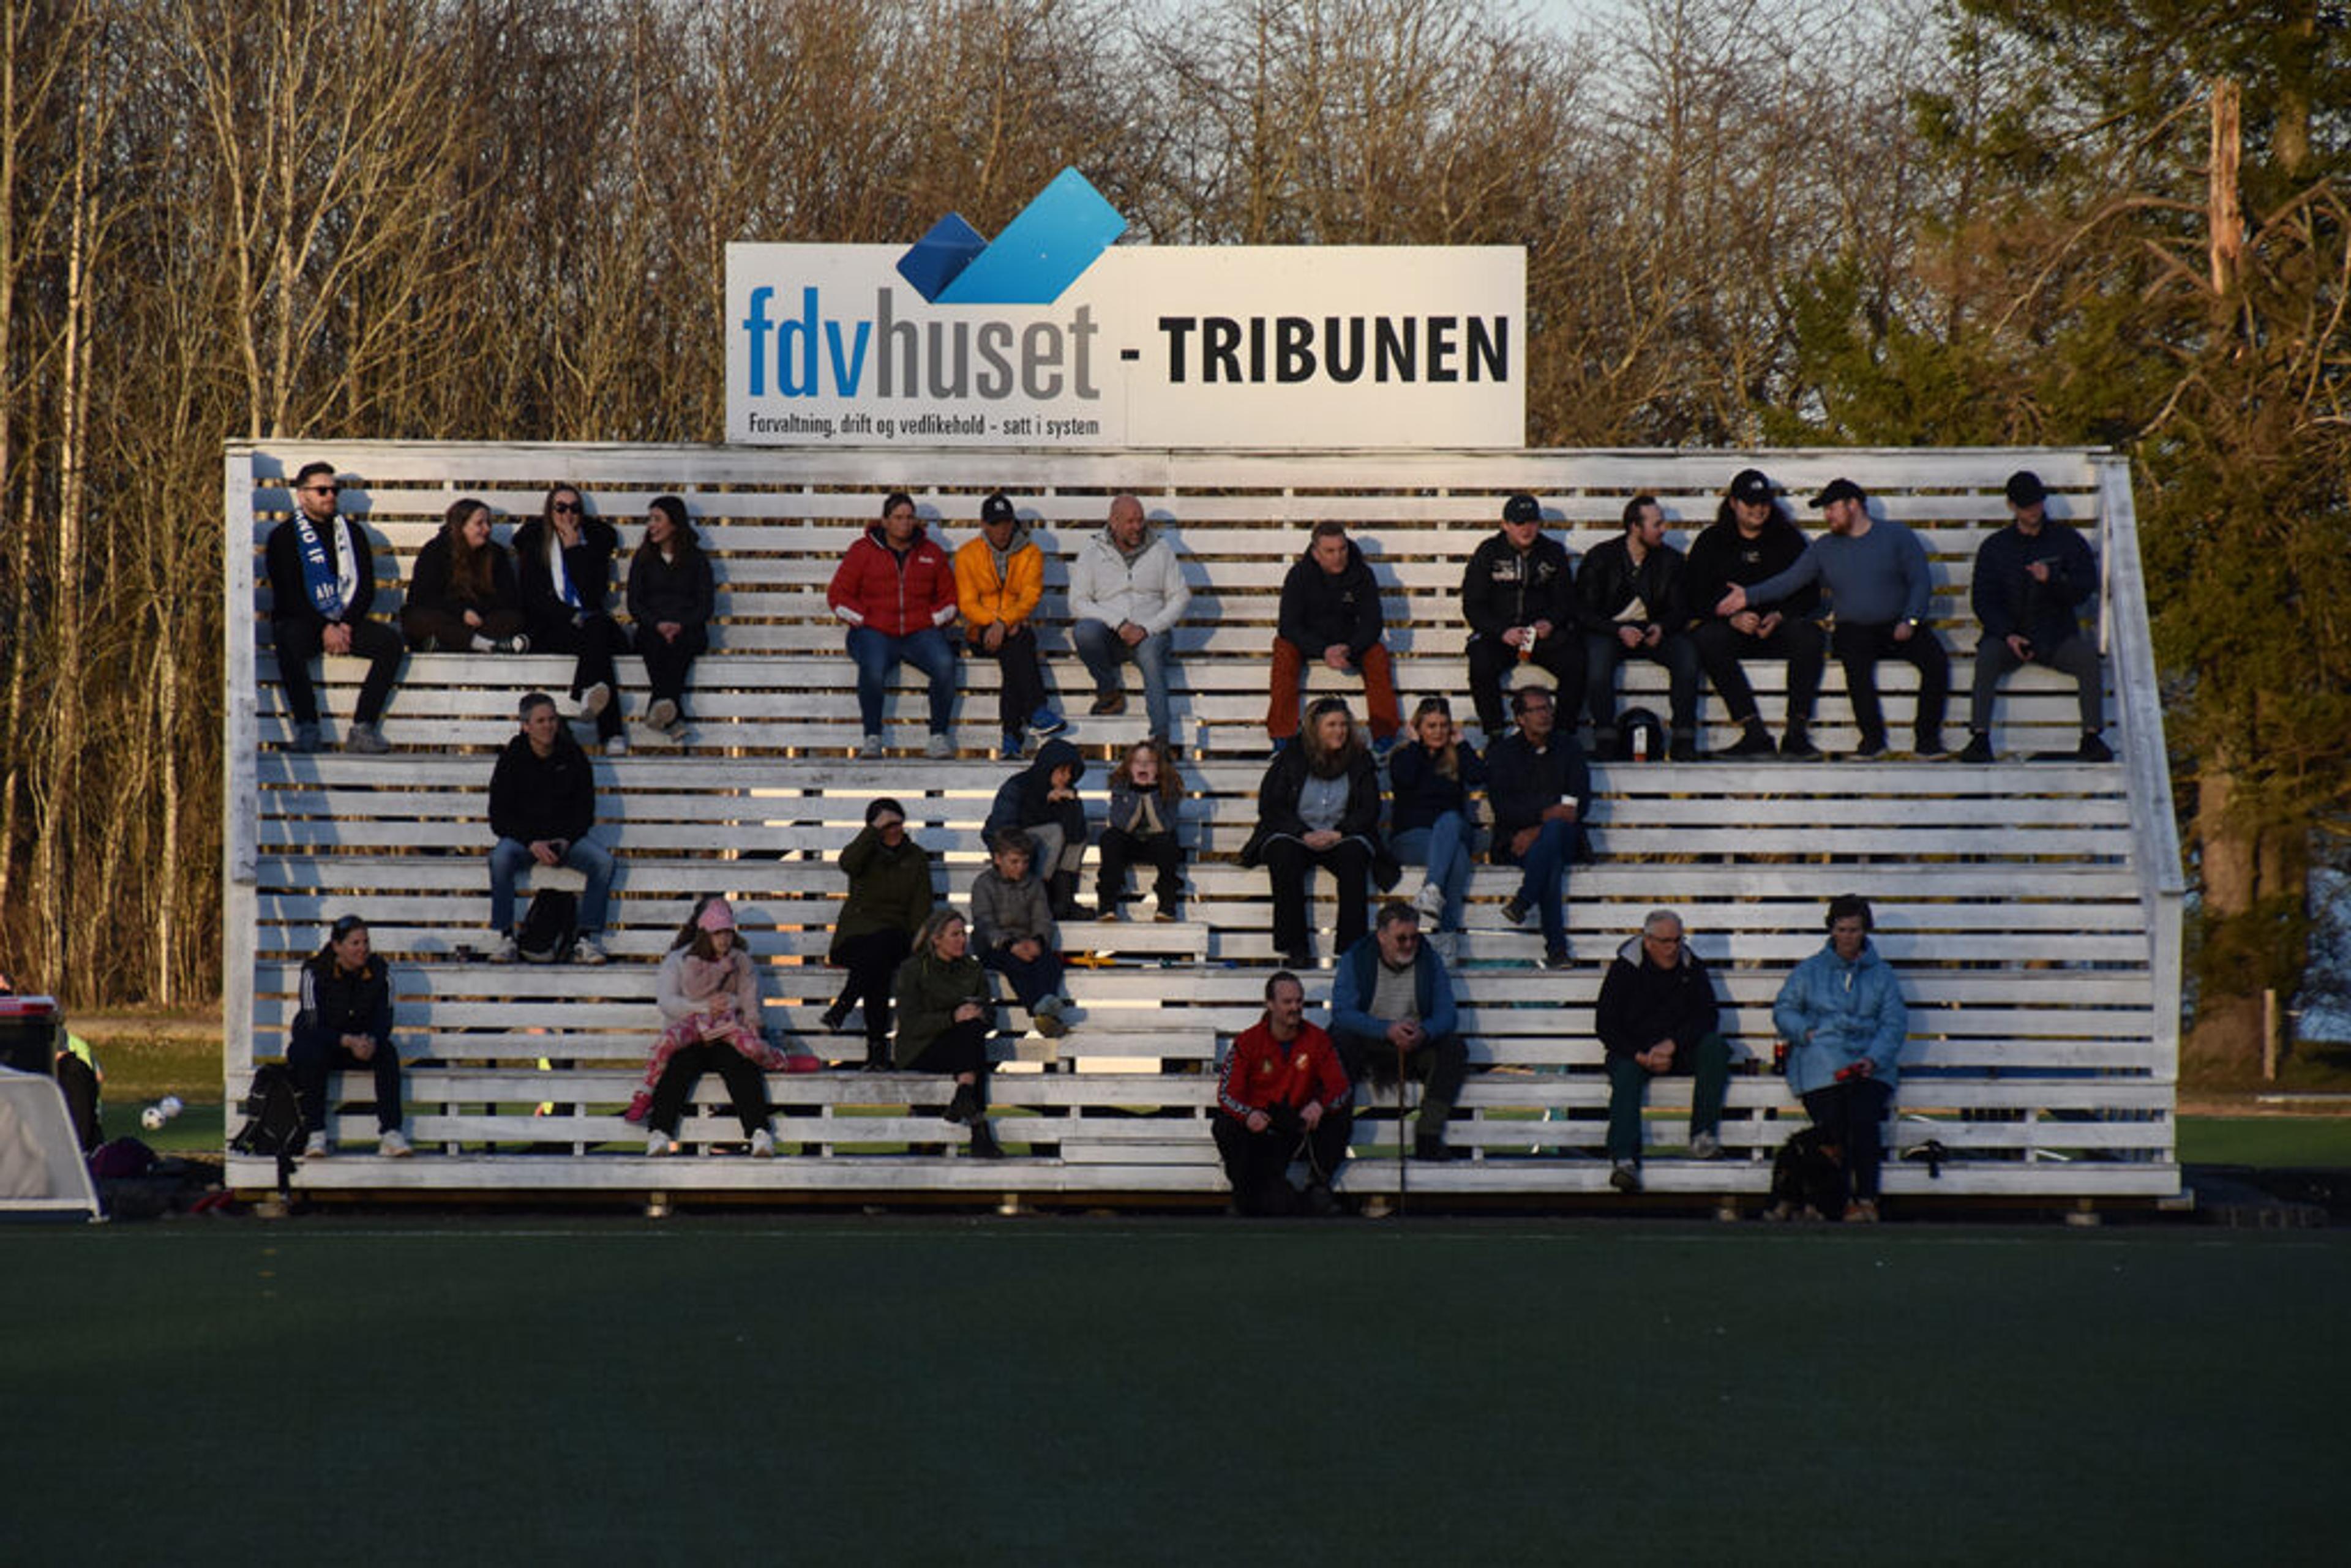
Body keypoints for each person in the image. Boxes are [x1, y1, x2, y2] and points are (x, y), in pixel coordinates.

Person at [1717, 478, 1949, 757]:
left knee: (1936, 662)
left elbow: (1920, 582)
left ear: (1854, 505)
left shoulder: (1897, 536)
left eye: (1832, 508)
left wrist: (1910, 621)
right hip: (1855, 628)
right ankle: (1872, 741)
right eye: (1825, 510)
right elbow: (1790, 581)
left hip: (1900, 624)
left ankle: (1927, 740)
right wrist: (1749, 596)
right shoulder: (1824, 547)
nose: (1827, 516)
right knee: (1855, 662)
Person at [1959, 470, 2111, 763]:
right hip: (2009, 636)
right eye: (2027, 505)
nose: (2034, 511)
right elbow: (1983, 600)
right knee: (1987, 657)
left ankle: (2092, 737)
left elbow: (2084, 587)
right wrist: (2007, 634)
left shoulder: (2067, 541)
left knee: (2087, 659)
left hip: (2055, 635)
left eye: (2038, 503)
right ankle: (1979, 737)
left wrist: (2052, 580)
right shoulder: (1995, 547)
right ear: (2012, 506)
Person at [1774, 895, 1907, 1222]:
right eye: (1842, 930)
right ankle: (1837, 1201)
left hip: (1869, 1065)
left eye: (1855, 930)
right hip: (1821, 1063)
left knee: (1863, 1119)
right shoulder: (1809, 971)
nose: (1848, 937)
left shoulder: (1883, 975)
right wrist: (1806, 1033)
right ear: (1832, 930)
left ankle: (1866, 1197)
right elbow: (1784, 1010)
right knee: (1832, 1125)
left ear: (1865, 931)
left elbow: (1894, 1023)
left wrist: (1873, 1059)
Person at [1239, 696, 1394, 970]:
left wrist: (1340, 833)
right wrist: (1302, 833)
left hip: (1341, 835)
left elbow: (1369, 809)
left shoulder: (1360, 759)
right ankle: (1296, 947)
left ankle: (1351, 948)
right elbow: (1272, 805)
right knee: (1282, 853)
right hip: (1297, 835)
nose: (1340, 731)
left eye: (1343, 725)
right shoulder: (1291, 756)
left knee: (1355, 856)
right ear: (1315, 728)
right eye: (1331, 725)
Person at [629, 896, 789, 1157]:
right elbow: (668, 1002)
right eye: (717, 930)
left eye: (727, 929)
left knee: (742, 1065)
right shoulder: (680, 959)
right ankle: (659, 1132)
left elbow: (752, 997)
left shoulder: (739, 960)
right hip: (691, 1035)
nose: (724, 937)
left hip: (727, 1033)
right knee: (678, 1066)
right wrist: (705, 1008)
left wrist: (730, 1004)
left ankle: (759, 1132)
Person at [1685, 468, 1826, 758]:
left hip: (1777, 629)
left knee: (1811, 636)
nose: (1758, 510)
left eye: (1764, 503)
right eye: (1750, 503)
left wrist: (1780, 615)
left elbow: (1811, 593)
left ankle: (1796, 733)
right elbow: (1694, 596)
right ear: (1733, 504)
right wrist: (1731, 618)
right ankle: (1753, 731)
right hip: (1733, 633)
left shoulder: (1788, 539)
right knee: (1705, 637)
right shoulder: (1712, 541)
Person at [264, 460, 402, 753]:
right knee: (287, 638)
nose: (330, 496)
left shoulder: (352, 534)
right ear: (303, 495)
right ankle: (308, 728)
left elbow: (365, 587)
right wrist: (325, 627)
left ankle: (363, 728)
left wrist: (346, 624)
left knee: (390, 642)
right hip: (305, 622)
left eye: (334, 490)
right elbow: (289, 595)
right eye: (322, 490)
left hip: (346, 622)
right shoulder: (284, 537)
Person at [1594, 909, 1731, 1193]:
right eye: (1665, 941)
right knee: (1626, 1072)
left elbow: (1707, 1017)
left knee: (1716, 1048)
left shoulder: (1692, 967)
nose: (1673, 948)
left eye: (1677, 940)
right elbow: (1606, 1025)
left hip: (1678, 1049)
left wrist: (1673, 1044)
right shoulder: (1624, 969)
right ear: (1648, 942)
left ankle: (1702, 1136)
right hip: (1634, 1051)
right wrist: (1641, 1055)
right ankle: (1624, 1158)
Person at [1330, 902, 1467, 1162]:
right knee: (1340, 1041)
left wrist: (1424, 1032)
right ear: (1382, 937)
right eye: (1401, 938)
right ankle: (1336, 1135)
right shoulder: (1356, 958)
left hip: (1414, 1043)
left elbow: (1447, 1015)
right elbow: (1342, 1013)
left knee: (1453, 1048)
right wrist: (1386, 1030)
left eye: (1414, 937)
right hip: (1369, 1042)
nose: (1409, 944)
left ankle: (1428, 1136)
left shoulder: (1430, 959)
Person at [486, 691, 613, 964]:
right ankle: (506, 937)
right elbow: (498, 816)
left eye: (552, 719)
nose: (548, 726)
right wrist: (531, 842)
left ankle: (585, 938)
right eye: (541, 721)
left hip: (565, 841)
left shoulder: (573, 754)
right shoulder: (512, 758)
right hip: (525, 842)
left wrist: (567, 839)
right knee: (500, 858)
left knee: (603, 862)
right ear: (526, 726)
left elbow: (585, 810)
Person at [829, 490, 959, 757]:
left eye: (910, 517)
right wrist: (866, 619)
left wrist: (932, 619)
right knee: (873, 666)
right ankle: (873, 737)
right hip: (874, 631)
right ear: (885, 521)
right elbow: (838, 596)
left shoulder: (932, 553)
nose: (905, 523)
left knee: (945, 663)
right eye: (899, 517)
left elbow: (951, 599)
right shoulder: (862, 551)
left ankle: (938, 737)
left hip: (919, 632)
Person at [1213, 970, 1352, 1215]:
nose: (1295, 1008)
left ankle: (1318, 1185)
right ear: (1270, 1004)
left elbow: (1341, 1086)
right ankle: (1245, 1192)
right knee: (1224, 1125)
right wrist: (1248, 1115)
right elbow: (1227, 1094)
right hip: (1263, 1124)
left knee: (1339, 1113)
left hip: (1300, 1122)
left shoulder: (1318, 1040)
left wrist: (1320, 1105)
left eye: (1299, 1001)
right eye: (1287, 1002)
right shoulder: (1248, 1042)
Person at [1580, 493, 1701, 759]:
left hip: (1652, 630)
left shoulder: (1671, 561)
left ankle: (1684, 739)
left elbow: (1681, 609)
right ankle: (1605, 739)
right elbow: (1584, 613)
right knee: (1597, 663)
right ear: (1635, 527)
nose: (1664, 530)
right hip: (1609, 630)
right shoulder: (1601, 557)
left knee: (1686, 656)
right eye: (1657, 524)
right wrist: (1617, 630)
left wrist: (1661, 627)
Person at [514, 483, 630, 756]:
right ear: (550, 511)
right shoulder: (536, 545)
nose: (568, 514)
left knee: (597, 630)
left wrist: (575, 551)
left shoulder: (594, 545)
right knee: (598, 649)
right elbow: (533, 598)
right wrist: (571, 615)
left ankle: (587, 693)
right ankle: (611, 733)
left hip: (589, 626)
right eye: (561, 508)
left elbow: (594, 595)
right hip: (552, 627)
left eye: (575, 508)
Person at [822, 797, 936, 1069]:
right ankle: (876, 1052)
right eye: (887, 825)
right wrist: (872, 832)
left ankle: (844, 1007)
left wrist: (918, 948)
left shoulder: (916, 857)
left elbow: (921, 908)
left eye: (897, 823)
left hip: (896, 937)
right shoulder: (864, 853)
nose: (894, 830)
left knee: (882, 947)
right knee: (877, 965)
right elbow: (847, 863)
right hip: (856, 936)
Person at [1268, 520, 1401, 754]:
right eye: (1330, 551)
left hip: (1350, 644)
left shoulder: (1362, 574)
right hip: (1310, 643)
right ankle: (1282, 738)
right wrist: (1322, 650)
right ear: (1316, 553)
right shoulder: (1299, 575)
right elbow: (1288, 626)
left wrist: (1350, 648)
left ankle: (1385, 738)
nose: (1338, 556)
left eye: (1342, 549)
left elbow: (1373, 623)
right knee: (1283, 649)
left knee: (1377, 654)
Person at [1069, 493, 1191, 745]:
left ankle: (1160, 738)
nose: (1137, 527)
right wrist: (1119, 624)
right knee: (1084, 632)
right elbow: (1077, 602)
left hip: (1151, 634)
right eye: (1130, 522)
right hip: (1111, 635)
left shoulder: (1161, 550)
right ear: (1113, 522)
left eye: (1140, 520)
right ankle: (1109, 693)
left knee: (1150, 655)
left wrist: (1147, 628)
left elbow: (1181, 597)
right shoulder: (1092, 551)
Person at [1461, 492, 1584, 740]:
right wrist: (1501, 631)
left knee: (1576, 661)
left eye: (1532, 522)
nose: (1527, 529)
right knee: (1481, 661)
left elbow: (1566, 600)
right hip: (1501, 635)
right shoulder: (1488, 552)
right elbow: (1473, 605)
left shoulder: (1553, 552)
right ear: (1505, 525)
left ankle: (1563, 735)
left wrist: (1550, 622)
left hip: (1539, 635)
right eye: (1519, 523)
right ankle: (1495, 733)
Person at [953, 491, 1067, 760]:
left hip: (1014, 629)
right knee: (1019, 645)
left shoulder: (1031, 553)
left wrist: (1004, 623)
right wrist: (998, 623)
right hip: (980, 631)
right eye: (995, 524)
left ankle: (1012, 738)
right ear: (983, 525)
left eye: (1006, 523)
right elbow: (967, 603)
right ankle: (1036, 711)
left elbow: (1030, 596)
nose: (1002, 530)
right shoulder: (967, 554)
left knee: (1015, 651)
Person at [286, 914, 410, 1158]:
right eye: (355, 943)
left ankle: (391, 1133)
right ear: (337, 946)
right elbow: (310, 1025)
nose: (363, 949)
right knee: (310, 1053)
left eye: (366, 942)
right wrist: (346, 1041)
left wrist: (371, 1040)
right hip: (322, 1042)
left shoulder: (380, 972)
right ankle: (316, 1134)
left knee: (387, 1053)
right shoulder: (314, 972)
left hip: (359, 1046)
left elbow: (385, 1020)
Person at [1483, 685, 1587, 968]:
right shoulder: (1502, 754)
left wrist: (1537, 830)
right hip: (1514, 841)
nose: (1545, 715)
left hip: (1563, 837)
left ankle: (1524, 899)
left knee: (1553, 837)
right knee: (1550, 864)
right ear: (1520, 718)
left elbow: (1578, 805)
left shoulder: (1569, 748)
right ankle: (1556, 950)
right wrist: (1545, 816)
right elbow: (1503, 808)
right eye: (1537, 710)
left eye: (1548, 708)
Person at [891, 909, 1005, 1158]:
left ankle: (965, 1096)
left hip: (962, 1047)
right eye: (955, 935)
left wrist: (979, 1014)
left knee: (971, 1030)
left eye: (964, 934)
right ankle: (978, 1129)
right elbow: (910, 1024)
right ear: (936, 939)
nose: (962, 940)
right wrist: (953, 1017)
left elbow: (990, 1016)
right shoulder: (913, 969)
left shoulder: (973, 969)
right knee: (970, 1043)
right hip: (921, 1048)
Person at [1387, 696, 1483, 955]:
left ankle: (1432, 888)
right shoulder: (1404, 756)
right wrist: (1414, 745)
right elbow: (1404, 778)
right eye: (1431, 726)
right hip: (1412, 838)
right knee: (1458, 857)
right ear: (1418, 727)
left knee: (1450, 819)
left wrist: (1462, 744)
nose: (1438, 731)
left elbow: (1478, 777)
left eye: (1444, 725)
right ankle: (1447, 937)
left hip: (1454, 830)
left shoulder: (1456, 756)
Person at [626, 494, 714, 745]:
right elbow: (634, 603)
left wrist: (680, 625)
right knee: (655, 644)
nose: (651, 525)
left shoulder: (697, 560)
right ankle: (673, 718)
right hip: (652, 629)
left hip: (688, 630)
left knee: (679, 646)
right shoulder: (643, 558)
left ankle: (660, 708)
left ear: (674, 524)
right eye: (650, 519)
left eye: (657, 519)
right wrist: (658, 624)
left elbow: (705, 605)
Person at [969, 830, 1071, 1038]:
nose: (1021, 867)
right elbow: (985, 923)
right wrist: (1009, 945)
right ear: (998, 859)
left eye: (1025, 862)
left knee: (1050, 962)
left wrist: (1038, 941)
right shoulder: (984, 884)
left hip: (1026, 941)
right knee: (1015, 963)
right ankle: (1040, 1008)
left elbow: (1042, 919)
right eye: (1014, 862)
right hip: (994, 946)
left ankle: (1045, 1010)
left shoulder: (1034, 884)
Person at [402, 497, 528, 654]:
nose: (487, 529)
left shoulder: (497, 554)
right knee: (414, 617)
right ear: (461, 525)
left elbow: (508, 598)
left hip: (481, 622)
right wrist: (461, 613)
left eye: (489, 523)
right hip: (447, 618)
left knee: (513, 618)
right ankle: (485, 645)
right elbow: (423, 597)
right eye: (480, 523)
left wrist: (477, 612)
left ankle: (448, 645)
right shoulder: (435, 551)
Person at [983, 737, 1089, 918]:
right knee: (1055, 832)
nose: (1067, 777)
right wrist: (1045, 803)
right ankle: (1040, 897)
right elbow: (1004, 831)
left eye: (1070, 772)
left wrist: (1072, 804)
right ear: (1048, 768)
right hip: (1014, 849)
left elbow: (1076, 835)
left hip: (1048, 855)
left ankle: (1064, 900)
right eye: (1062, 771)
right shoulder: (1018, 786)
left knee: (1078, 838)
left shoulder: (1067, 792)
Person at [1097, 737, 1186, 921]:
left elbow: (1163, 827)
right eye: (1138, 762)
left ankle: (1167, 905)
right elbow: (1122, 825)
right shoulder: (1121, 787)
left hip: (1157, 845)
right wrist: (1137, 793)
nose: (1143, 766)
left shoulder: (1169, 788)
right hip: (1129, 843)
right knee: (1110, 837)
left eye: (1150, 762)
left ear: (1158, 768)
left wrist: (1151, 794)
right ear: (1130, 766)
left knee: (1168, 840)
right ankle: (1107, 906)